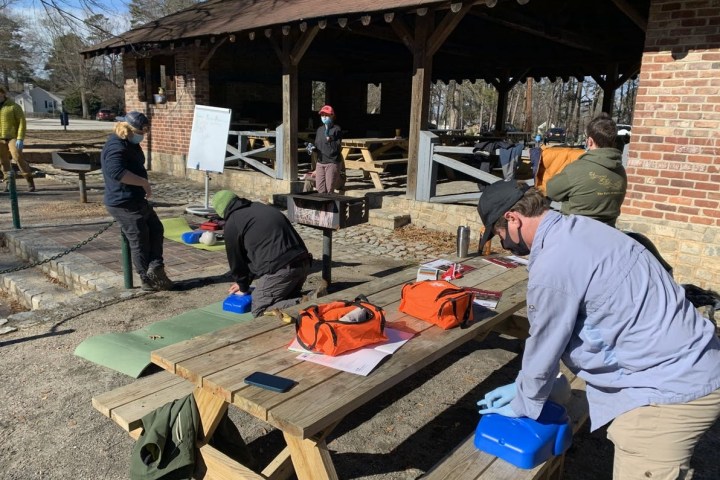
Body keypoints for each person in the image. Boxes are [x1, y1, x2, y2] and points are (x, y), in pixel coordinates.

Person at [475, 181, 720, 480]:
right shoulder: (583, 229)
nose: (507, 246)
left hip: (665, 389)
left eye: (501, 237)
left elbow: (545, 343)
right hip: (692, 360)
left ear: (513, 218)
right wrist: (528, 385)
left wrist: (524, 399)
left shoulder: (554, 263)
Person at [211, 190, 323, 318]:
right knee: (284, 297)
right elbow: (256, 254)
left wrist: (242, 286)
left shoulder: (233, 223)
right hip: (303, 263)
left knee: (259, 309)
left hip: (282, 270)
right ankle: (303, 299)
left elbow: (237, 260)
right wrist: (245, 282)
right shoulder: (259, 207)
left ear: (221, 211)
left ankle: (307, 301)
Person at [101, 111, 174, 291]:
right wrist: (143, 183)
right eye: (141, 133)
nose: (143, 136)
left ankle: (155, 268)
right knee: (139, 239)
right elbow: (116, 172)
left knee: (156, 228)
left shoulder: (130, 143)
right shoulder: (115, 146)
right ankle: (146, 280)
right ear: (130, 130)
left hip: (136, 198)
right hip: (122, 202)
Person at [545, 113, 627, 227]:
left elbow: (551, 191)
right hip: (608, 230)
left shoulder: (577, 169)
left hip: (575, 231)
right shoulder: (620, 170)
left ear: (590, 141)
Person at [0, 86, 35, 192]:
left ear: (3, 94)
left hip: (12, 137)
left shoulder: (13, 106)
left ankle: (29, 180)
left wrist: (20, 138)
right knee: (3, 161)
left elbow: (21, 122)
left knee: (18, 157)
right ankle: (8, 183)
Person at [310, 105, 343, 193]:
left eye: (327, 115)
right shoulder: (319, 130)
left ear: (332, 116)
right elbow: (318, 146)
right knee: (320, 189)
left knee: (329, 189)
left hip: (332, 162)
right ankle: (323, 207)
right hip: (320, 162)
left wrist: (330, 139)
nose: (324, 117)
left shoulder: (336, 129)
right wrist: (312, 148)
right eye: (322, 115)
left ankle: (331, 206)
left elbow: (337, 148)